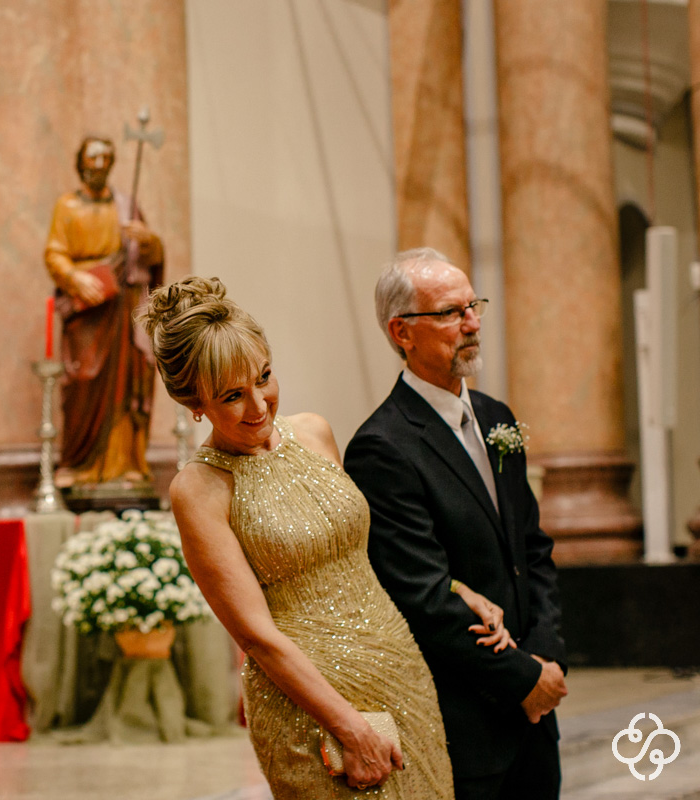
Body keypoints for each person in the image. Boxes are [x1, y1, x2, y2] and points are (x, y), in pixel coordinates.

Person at [140, 276, 504, 797]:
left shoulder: (314, 431)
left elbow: (361, 551)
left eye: (264, 377)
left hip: (398, 667)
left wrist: (452, 588)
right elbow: (254, 635)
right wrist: (348, 725)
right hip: (309, 705)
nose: (259, 405)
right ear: (193, 402)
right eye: (231, 396)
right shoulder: (198, 489)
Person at [344, 248, 568, 800]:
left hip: (536, 717)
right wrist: (522, 680)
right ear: (403, 332)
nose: (472, 324)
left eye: (473, 307)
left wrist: (545, 655)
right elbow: (424, 598)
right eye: (450, 313)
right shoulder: (382, 448)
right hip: (466, 726)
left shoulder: (497, 418)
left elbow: (532, 551)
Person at [45, 135, 164, 487]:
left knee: (128, 384)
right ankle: (78, 462)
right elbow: (54, 253)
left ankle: (128, 461)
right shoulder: (67, 206)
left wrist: (149, 241)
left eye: (105, 159)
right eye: (92, 159)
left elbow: (153, 256)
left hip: (123, 305)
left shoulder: (127, 206)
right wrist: (74, 278)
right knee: (83, 381)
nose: (98, 165)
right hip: (88, 311)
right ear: (80, 164)